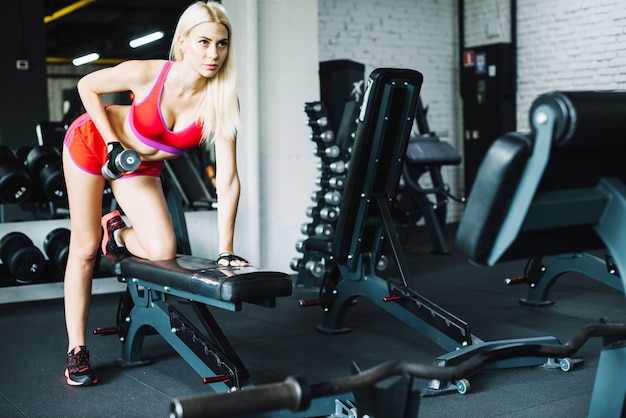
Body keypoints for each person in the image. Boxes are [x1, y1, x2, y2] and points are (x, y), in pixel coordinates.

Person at [61, 1, 250, 387]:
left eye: (221, 44)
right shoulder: (150, 73)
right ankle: (76, 350)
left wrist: (225, 249)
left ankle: (114, 233)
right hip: (94, 143)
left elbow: (228, 178)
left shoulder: (221, 102)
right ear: (182, 42)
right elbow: (87, 85)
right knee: (82, 249)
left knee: (162, 249)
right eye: (203, 42)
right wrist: (113, 144)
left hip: (140, 167)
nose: (213, 53)